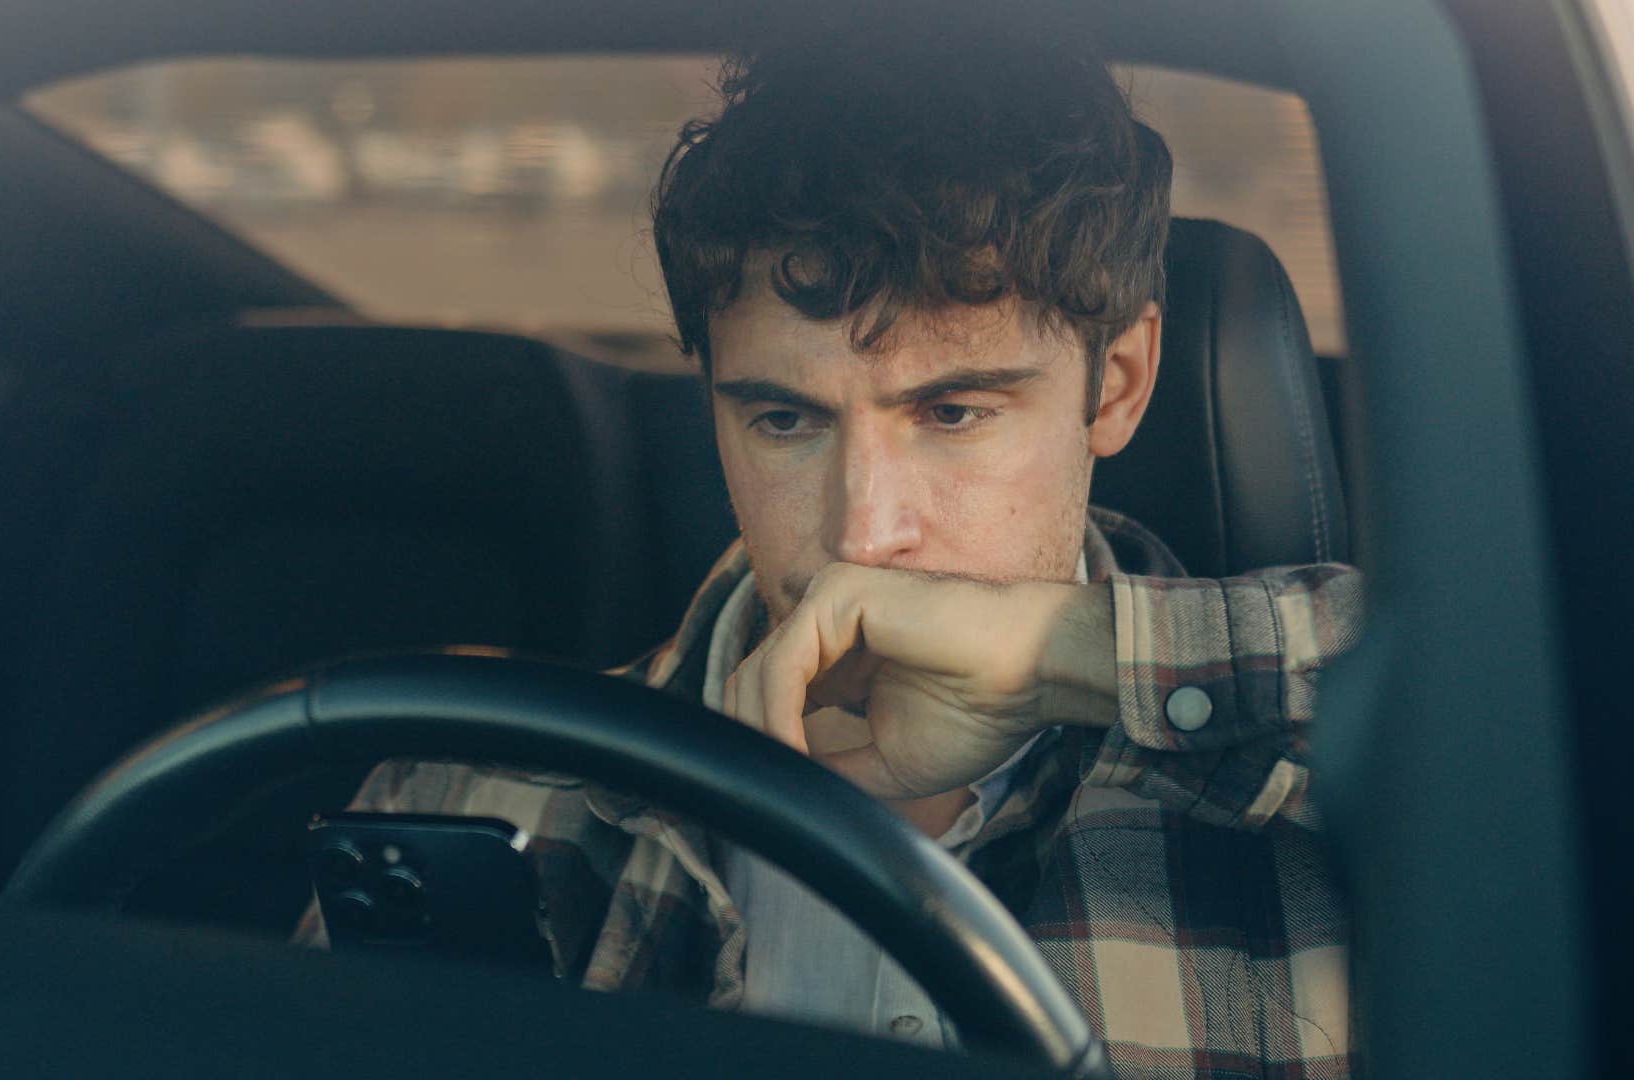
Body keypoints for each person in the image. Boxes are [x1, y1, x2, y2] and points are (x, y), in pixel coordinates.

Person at [296, 24, 1361, 1079]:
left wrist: (1066, 657)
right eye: (784, 421)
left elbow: (1461, 691)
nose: (862, 536)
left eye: (952, 414)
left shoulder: (1332, 816)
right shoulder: (464, 808)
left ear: (1117, 385)